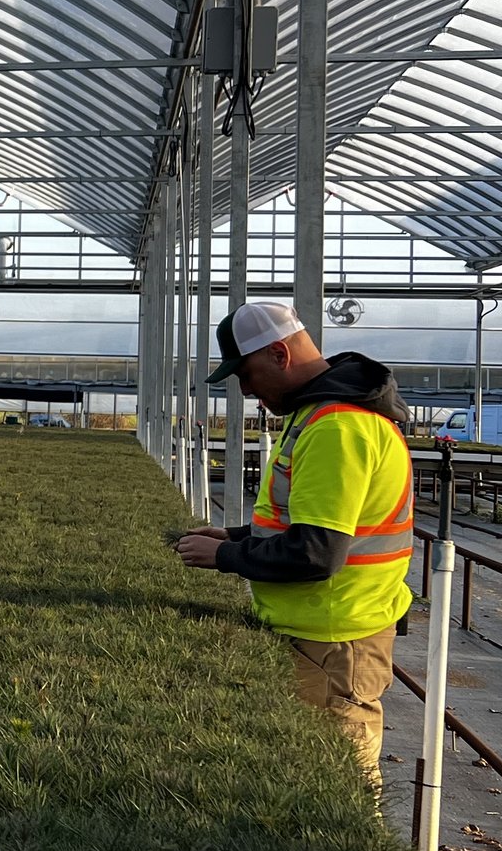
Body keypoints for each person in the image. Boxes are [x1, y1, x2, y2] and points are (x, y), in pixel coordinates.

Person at [173, 301, 415, 785]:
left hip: (332, 641)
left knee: (332, 784)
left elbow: (316, 553)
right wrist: (237, 535)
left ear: (280, 355)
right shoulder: (321, 417)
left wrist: (225, 556)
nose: (246, 389)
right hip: (324, 634)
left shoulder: (337, 427)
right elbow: (311, 523)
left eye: (247, 373)